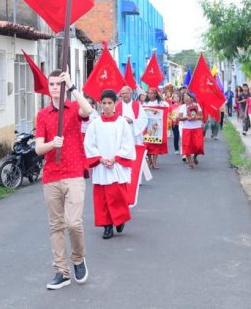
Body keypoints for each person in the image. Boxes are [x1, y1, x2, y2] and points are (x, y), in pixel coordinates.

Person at [35, 70, 92, 290]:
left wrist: (73, 87)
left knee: (73, 223)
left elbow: (88, 111)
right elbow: (39, 148)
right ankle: (62, 271)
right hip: (51, 175)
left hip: (75, 173)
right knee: (56, 226)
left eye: (59, 84)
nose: (54, 87)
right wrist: (53, 144)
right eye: (52, 84)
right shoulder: (43, 115)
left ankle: (78, 258)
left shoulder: (74, 108)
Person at [84, 89, 136, 239]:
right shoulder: (95, 124)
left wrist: (115, 158)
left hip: (116, 165)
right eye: (104, 103)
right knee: (102, 199)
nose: (106, 106)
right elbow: (89, 144)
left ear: (115, 104)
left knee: (117, 195)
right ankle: (107, 226)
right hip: (101, 166)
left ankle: (119, 220)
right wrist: (99, 159)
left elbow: (127, 143)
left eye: (110, 103)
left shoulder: (122, 123)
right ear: (100, 104)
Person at [142, 87, 169, 169]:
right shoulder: (145, 103)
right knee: (147, 144)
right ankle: (149, 159)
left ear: (156, 94)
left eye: (152, 93)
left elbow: (166, 107)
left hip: (157, 126)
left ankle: (154, 162)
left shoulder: (160, 103)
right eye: (149, 93)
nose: (150, 95)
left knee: (156, 145)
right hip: (147, 126)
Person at [177, 93, 204, 168]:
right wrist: (186, 118)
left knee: (198, 145)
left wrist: (195, 117)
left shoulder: (197, 105)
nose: (186, 99)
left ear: (191, 98)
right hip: (186, 128)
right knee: (187, 146)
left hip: (197, 127)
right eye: (184, 97)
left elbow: (201, 117)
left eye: (187, 97)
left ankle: (195, 157)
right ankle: (190, 161)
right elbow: (179, 118)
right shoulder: (182, 107)